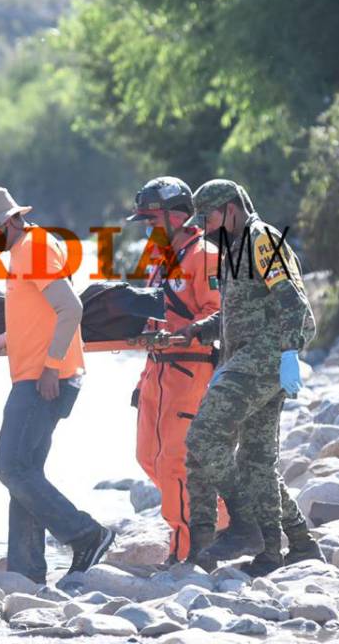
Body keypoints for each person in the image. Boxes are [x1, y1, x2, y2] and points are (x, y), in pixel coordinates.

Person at [0, 187, 115, 584]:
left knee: (10, 466)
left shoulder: (33, 247)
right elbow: (41, 313)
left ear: (12, 220)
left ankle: (86, 534)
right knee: (25, 470)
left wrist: (50, 367)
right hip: (36, 372)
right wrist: (6, 338)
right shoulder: (23, 250)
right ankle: (27, 571)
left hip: (44, 377)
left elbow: (71, 309)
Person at [183, 179, 319, 577]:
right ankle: (294, 546)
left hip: (267, 355)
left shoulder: (262, 239)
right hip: (246, 355)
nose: (205, 227)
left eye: (208, 217)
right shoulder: (232, 246)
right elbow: (239, 311)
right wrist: (201, 330)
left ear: (230, 208)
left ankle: (244, 525)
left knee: (204, 436)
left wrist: (290, 355)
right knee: (256, 460)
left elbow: (293, 301)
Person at [125, 177, 224, 564]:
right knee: (147, 457)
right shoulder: (161, 260)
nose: (149, 228)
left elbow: (217, 312)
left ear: (177, 216)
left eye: (153, 220)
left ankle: (187, 548)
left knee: (174, 462)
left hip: (189, 371)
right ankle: (225, 518)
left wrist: (183, 336)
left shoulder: (206, 256)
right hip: (155, 371)